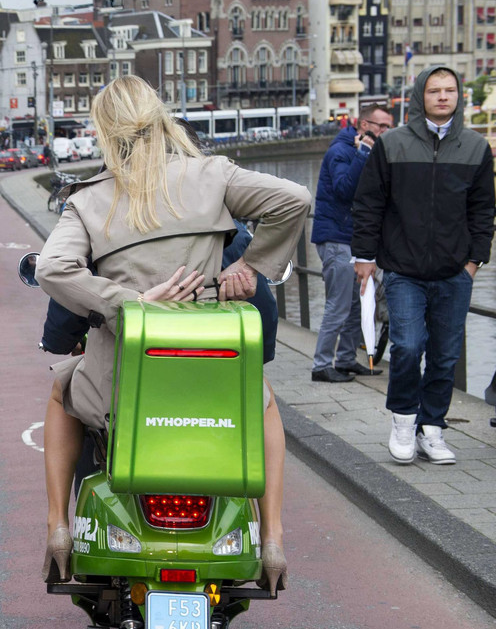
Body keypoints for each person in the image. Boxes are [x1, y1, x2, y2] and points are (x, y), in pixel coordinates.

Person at [35, 76, 310, 594]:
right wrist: (250, 267)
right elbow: (293, 199)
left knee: (60, 390)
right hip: (208, 373)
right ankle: (272, 535)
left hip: (122, 383)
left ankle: (58, 527)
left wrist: (132, 305)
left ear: (104, 133)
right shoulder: (212, 176)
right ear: (161, 120)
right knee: (265, 402)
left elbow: (52, 269)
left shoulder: (89, 200)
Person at [352, 66, 495, 466]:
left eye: (450, 90)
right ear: (420, 96)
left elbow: (484, 210)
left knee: (446, 355)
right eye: (435, 90)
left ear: (459, 96)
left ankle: (432, 429)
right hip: (403, 270)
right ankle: (403, 420)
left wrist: (474, 261)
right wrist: (364, 257)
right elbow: (369, 203)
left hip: (455, 272)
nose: (443, 97)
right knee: (409, 345)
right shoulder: (392, 144)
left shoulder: (475, 148)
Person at [310, 104, 394, 383]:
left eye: (388, 127)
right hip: (336, 238)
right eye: (380, 126)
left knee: (356, 305)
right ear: (363, 125)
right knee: (339, 304)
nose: (385, 131)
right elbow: (345, 188)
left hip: (353, 240)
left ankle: (346, 359)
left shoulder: (366, 152)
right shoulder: (341, 151)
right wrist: (364, 153)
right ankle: (321, 365)